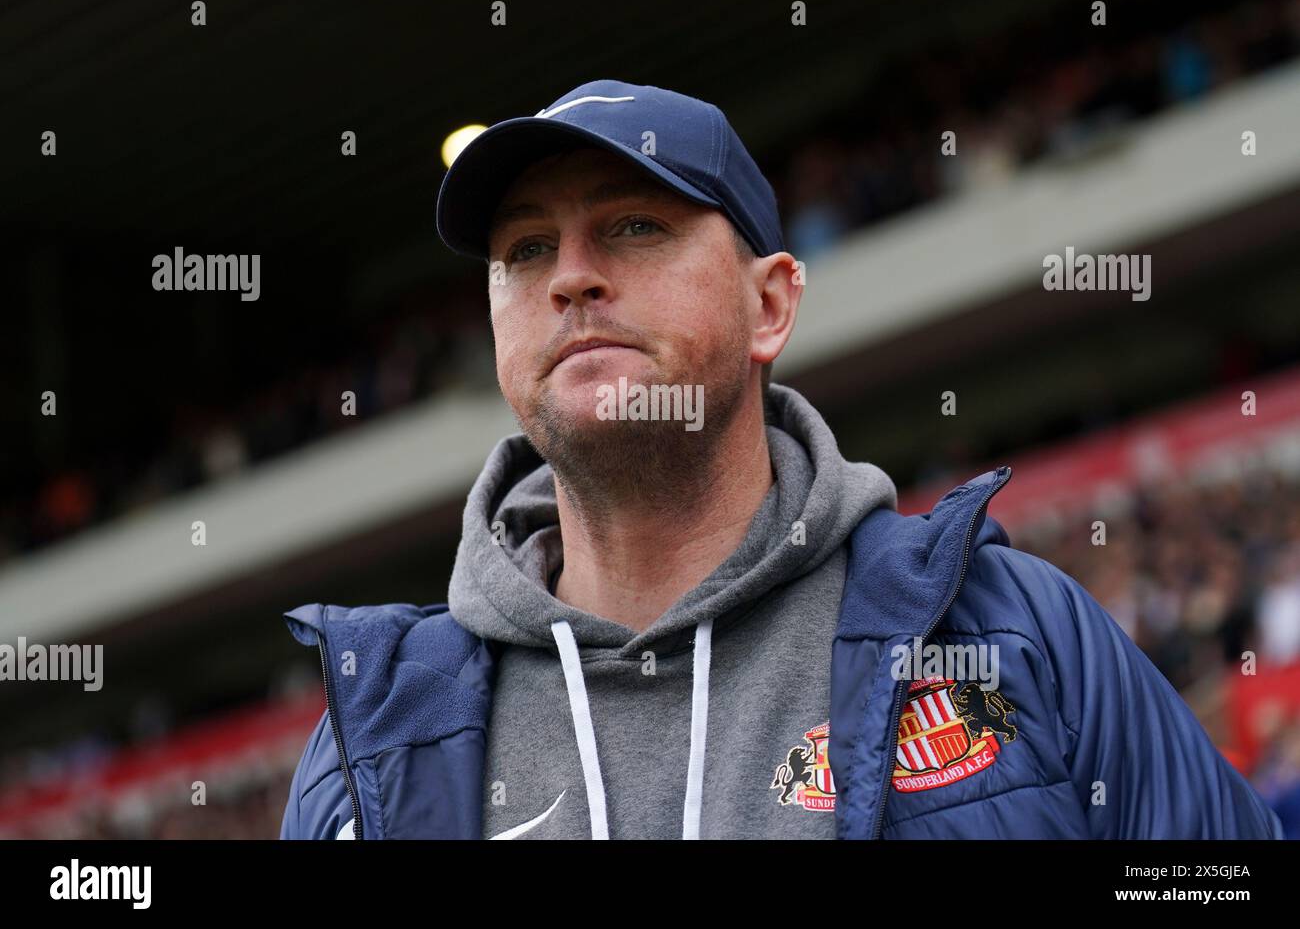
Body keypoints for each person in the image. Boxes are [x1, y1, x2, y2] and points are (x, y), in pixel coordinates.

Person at [279, 79, 1282, 840]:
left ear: (770, 304)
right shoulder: (377, 733)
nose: (571, 276)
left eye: (633, 226)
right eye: (526, 250)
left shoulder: (1014, 629)